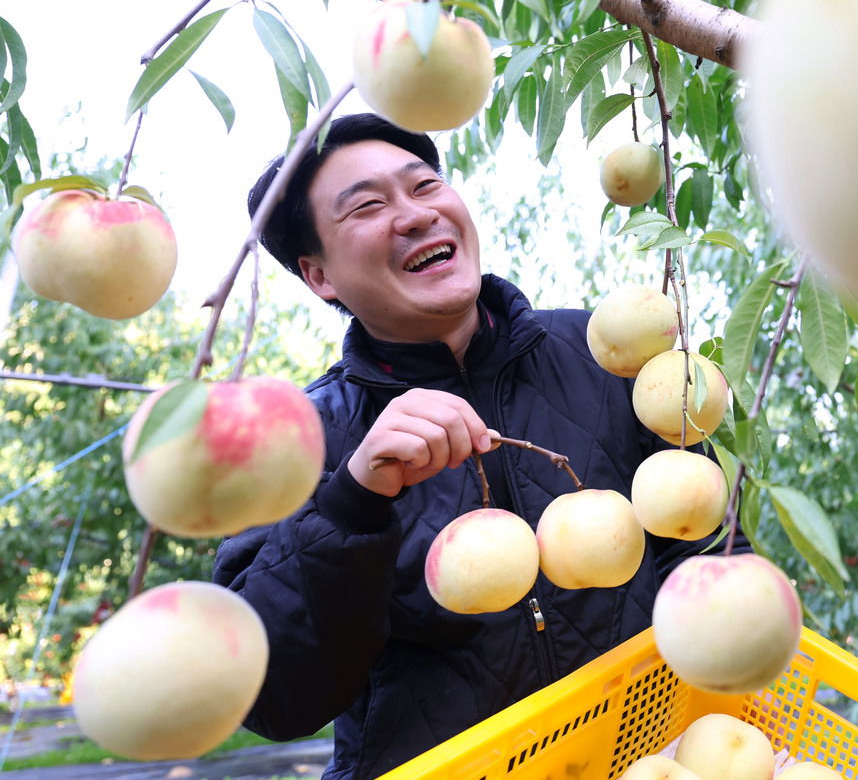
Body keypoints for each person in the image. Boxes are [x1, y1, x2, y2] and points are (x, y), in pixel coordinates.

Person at [212, 113, 743, 780]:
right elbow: (274, 696)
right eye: (370, 205)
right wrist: (352, 501)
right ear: (320, 275)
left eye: (425, 185)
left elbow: (704, 547)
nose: (414, 214)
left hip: (644, 759)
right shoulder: (300, 441)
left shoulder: (603, 360)